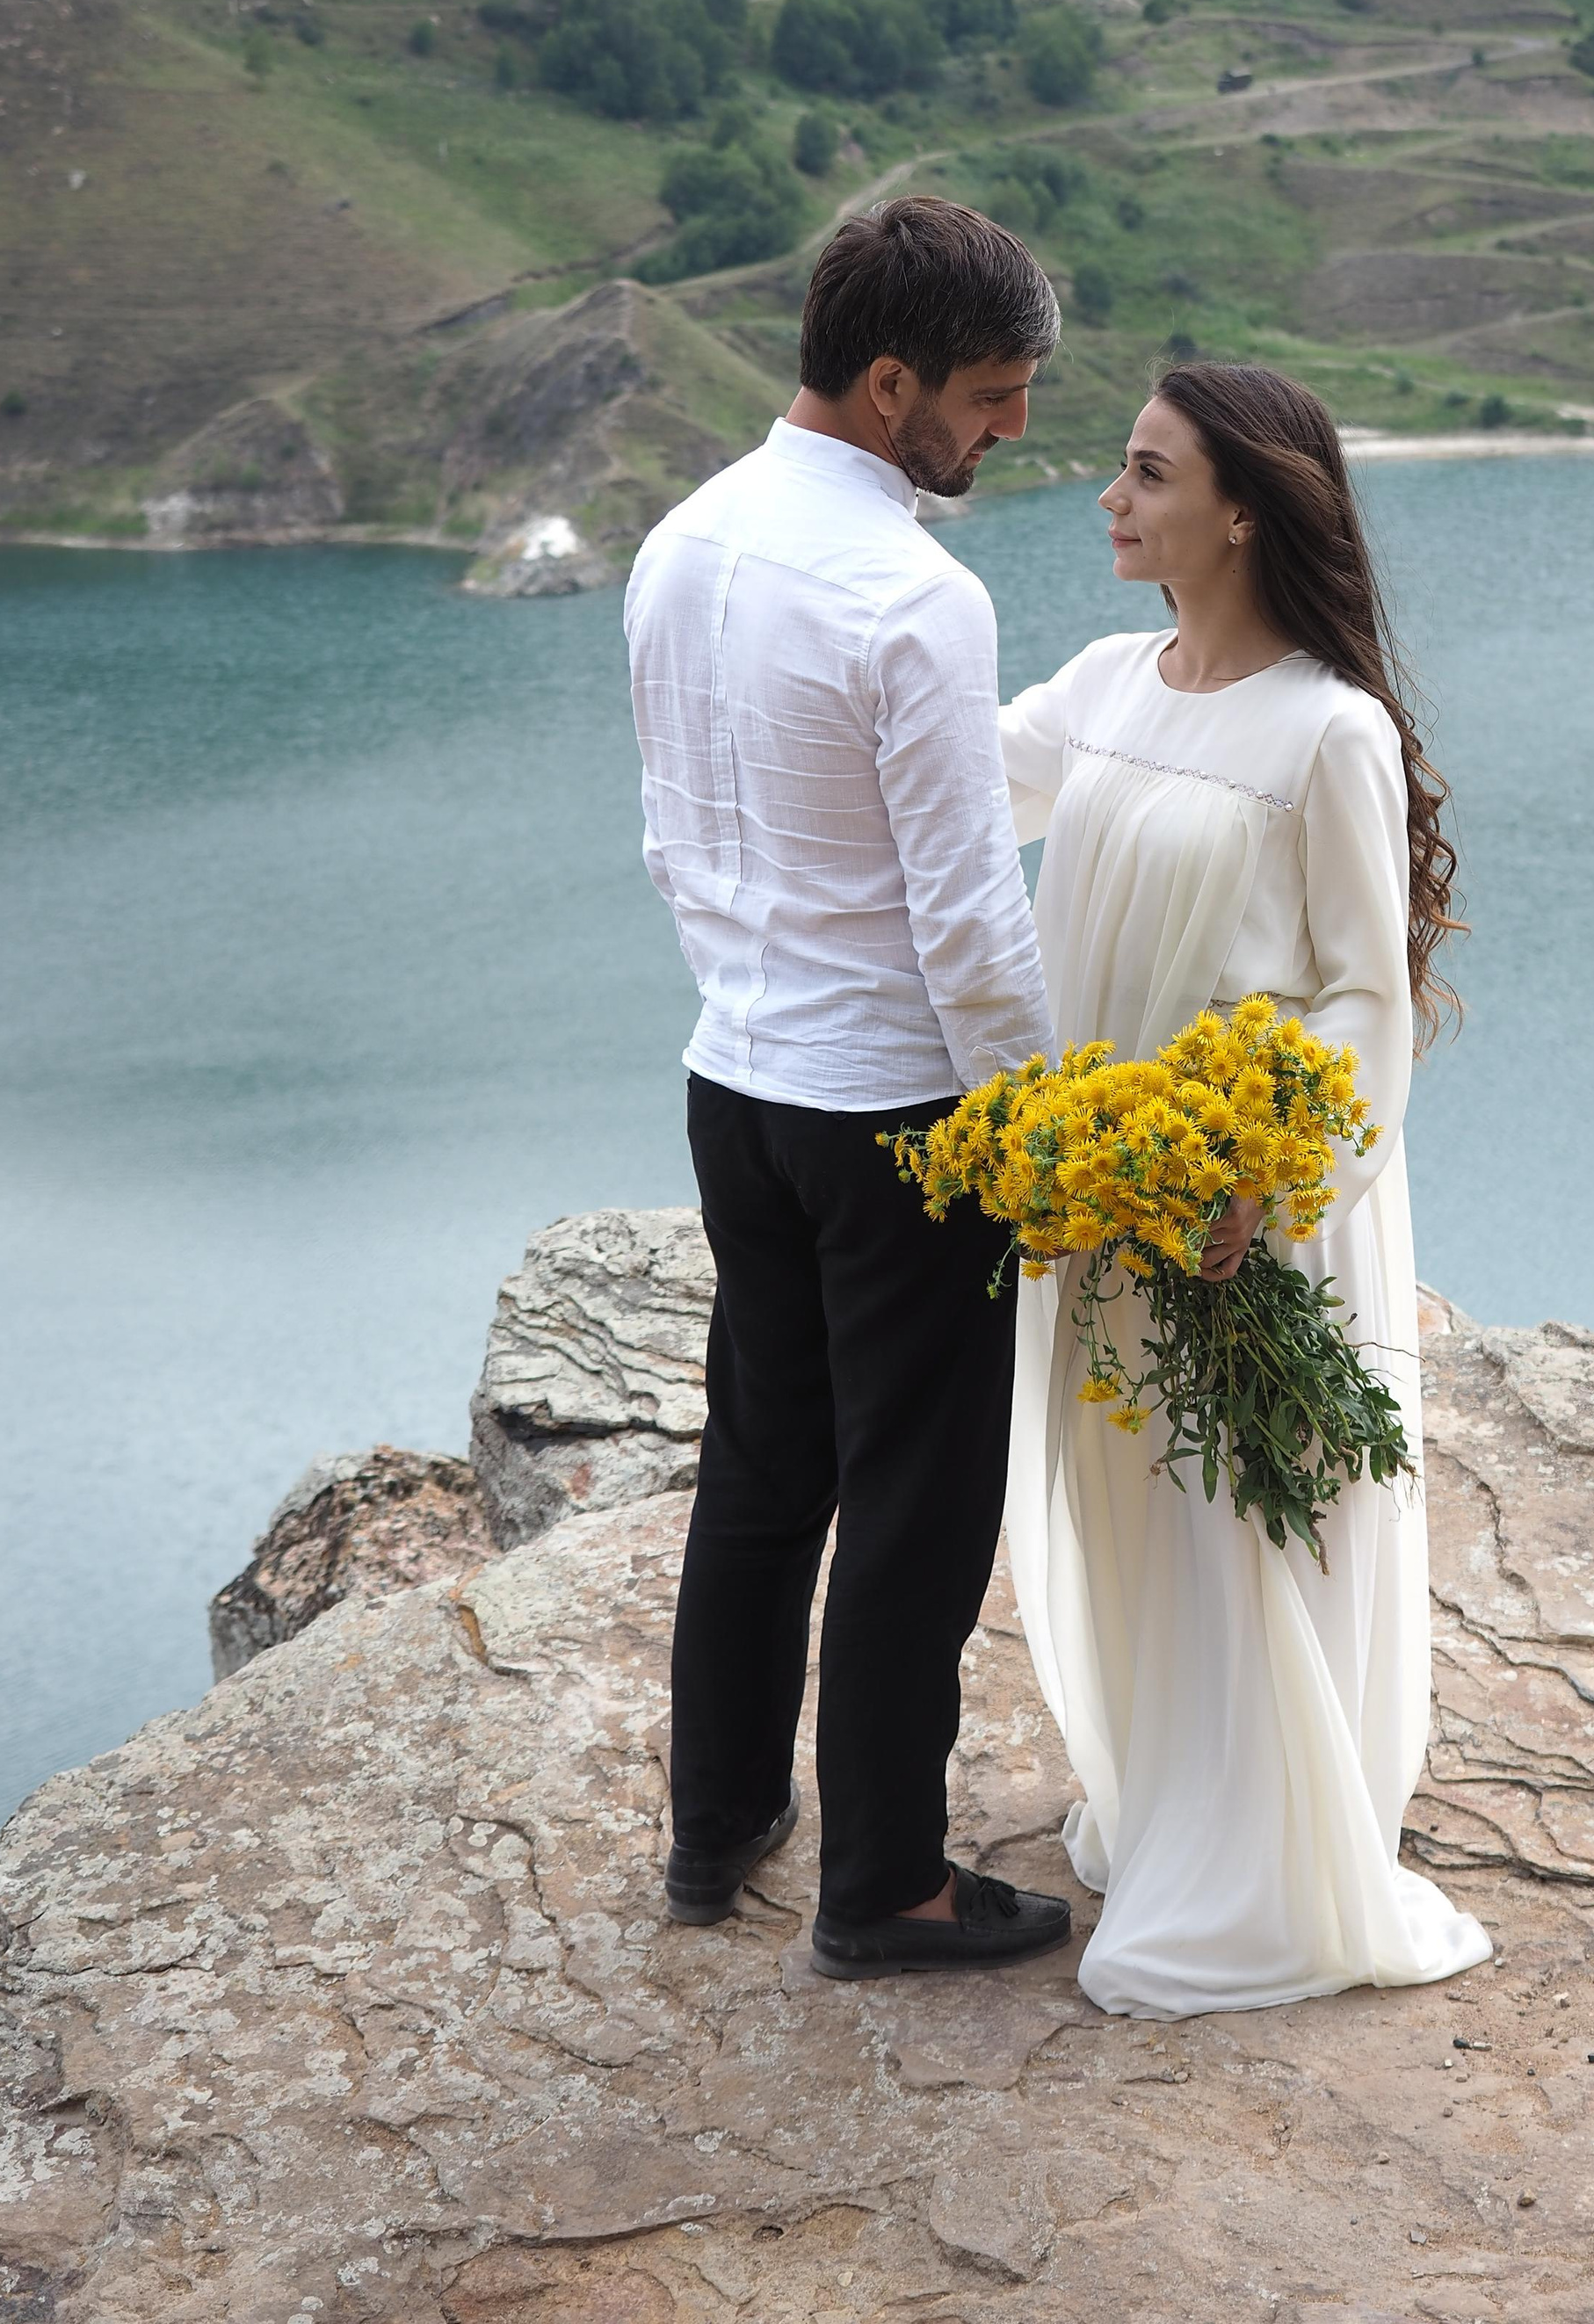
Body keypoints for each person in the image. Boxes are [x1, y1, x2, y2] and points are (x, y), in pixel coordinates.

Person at [997, 360, 1492, 2017]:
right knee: (1135, 1492)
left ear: (1242, 508)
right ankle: (1178, 1799)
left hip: (1239, 1207)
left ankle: (1261, 1862)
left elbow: (1365, 992)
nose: (1110, 498)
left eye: (1144, 474)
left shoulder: (1329, 732)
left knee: (1246, 1516)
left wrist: (1274, 1184)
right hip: (1108, 1195)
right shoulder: (1102, 685)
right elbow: (933, 785)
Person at [624, 193, 1074, 1980]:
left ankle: (713, 1825)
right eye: (986, 392)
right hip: (897, 1116)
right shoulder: (912, 595)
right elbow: (970, 926)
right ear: (887, 382)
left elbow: (668, 837)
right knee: (915, 1496)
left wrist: (753, 989)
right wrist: (1039, 1140)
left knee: (760, 1467)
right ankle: (883, 1885)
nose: (1009, 429)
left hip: (734, 1079)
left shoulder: (679, 540)